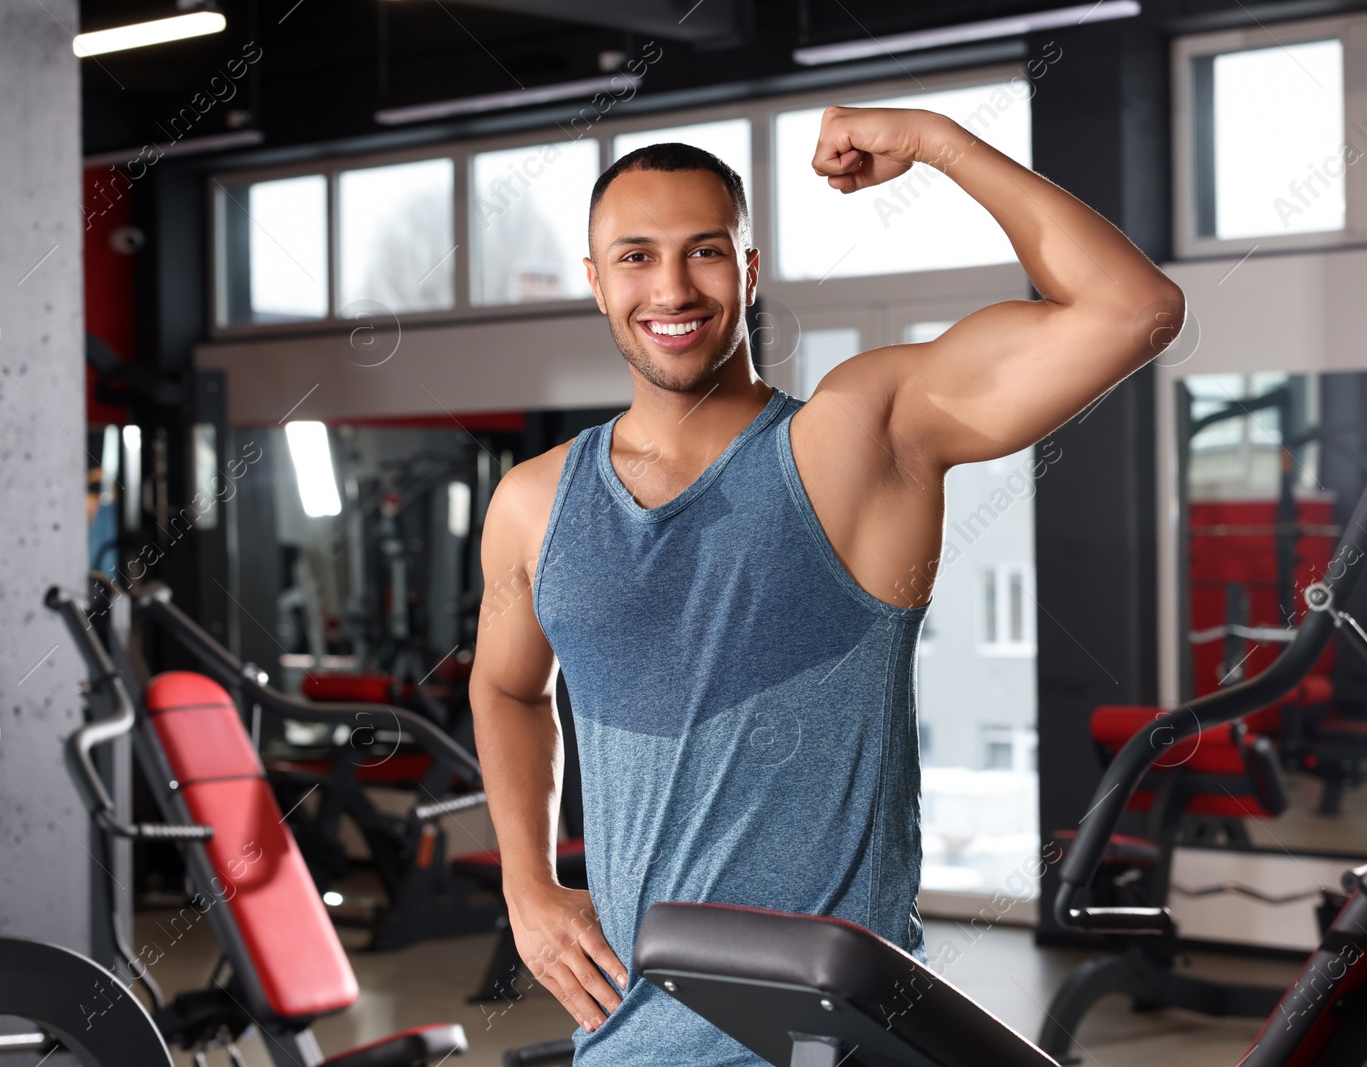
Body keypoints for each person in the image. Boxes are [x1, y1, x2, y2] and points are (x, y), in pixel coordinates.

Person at [468, 104, 1184, 1065]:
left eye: (706, 251)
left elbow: (1132, 310)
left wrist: (938, 141)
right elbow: (506, 686)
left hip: (832, 1041)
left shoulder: (859, 438)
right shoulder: (533, 503)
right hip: (625, 1043)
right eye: (635, 257)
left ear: (750, 269)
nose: (671, 286)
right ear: (595, 283)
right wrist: (527, 883)